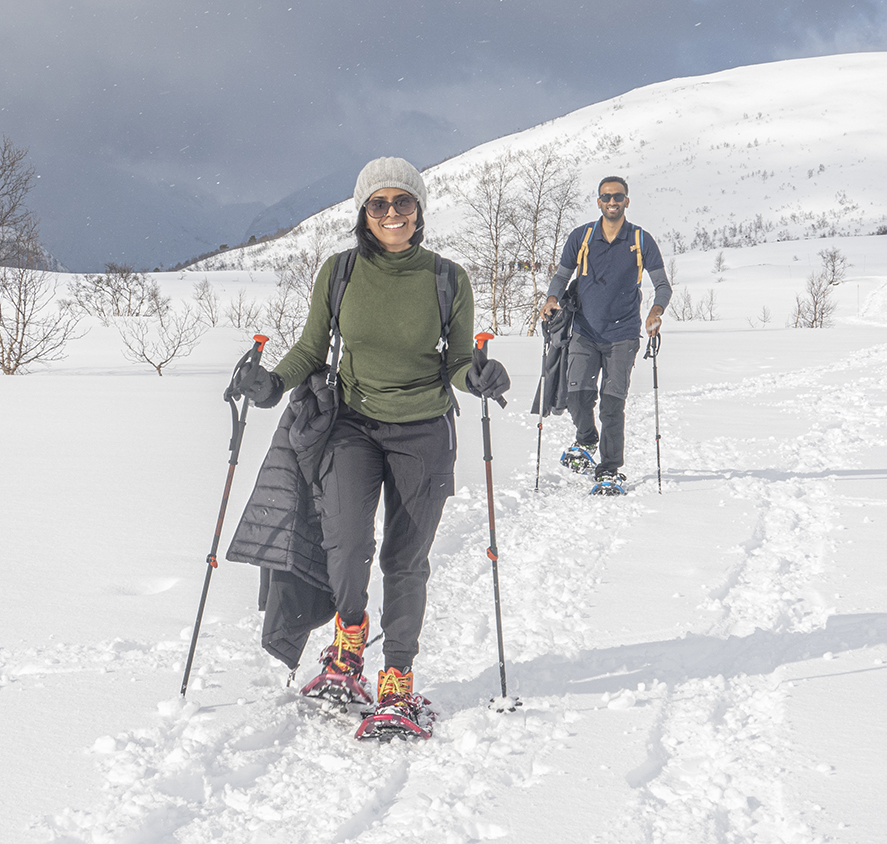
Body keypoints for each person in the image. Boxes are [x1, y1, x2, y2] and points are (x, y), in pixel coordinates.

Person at [229, 157, 509, 737]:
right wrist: (273, 384)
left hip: (425, 430)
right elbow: (311, 348)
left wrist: (477, 376)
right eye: (378, 204)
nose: (391, 213)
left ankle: (398, 682)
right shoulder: (339, 272)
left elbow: (457, 360)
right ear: (363, 212)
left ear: (419, 211)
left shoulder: (447, 278)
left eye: (403, 202)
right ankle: (348, 643)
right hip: (352, 425)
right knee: (348, 543)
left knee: (405, 559)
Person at [538, 176, 671, 493]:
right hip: (584, 331)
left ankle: (609, 469)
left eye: (618, 197)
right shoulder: (582, 237)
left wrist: (655, 312)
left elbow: (662, 285)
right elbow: (561, 275)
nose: (612, 201)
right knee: (577, 396)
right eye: (606, 197)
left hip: (623, 335)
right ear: (598, 201)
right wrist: (552, 298)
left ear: (627, 201)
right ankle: (586, 440)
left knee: (612, 405)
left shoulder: (640, 240)